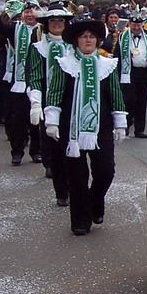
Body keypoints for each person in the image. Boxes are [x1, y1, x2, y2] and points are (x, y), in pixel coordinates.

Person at [43, 16, 127, 236]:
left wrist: (120, 122)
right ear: (76, 41)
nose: (88, 40)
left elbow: (115, 94)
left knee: (106, 171)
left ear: (97, 40)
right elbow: (55, 92)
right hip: (71, 128)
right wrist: (51, 120)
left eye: (91, 36)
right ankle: (80, 220)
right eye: (83, 36)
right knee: (76, 176)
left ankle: (94, 202)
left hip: (101, 127)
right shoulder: (64, 64)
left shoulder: (107, 65)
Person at [27, 1, 75, 205]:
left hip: (72, 102)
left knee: (72, 147)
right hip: (49, 102)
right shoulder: (38, 48)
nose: (57, 24)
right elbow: (35, 76)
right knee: (54, 147)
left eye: (60, 20)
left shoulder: (73, 47)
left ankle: (74, 187)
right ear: (47, 24)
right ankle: (61, 191)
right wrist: (36, 103)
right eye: (53, 21)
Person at [3, 0, 43, 165]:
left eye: (32, 11)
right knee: (18, 119)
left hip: (38, 80)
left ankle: (36, 151)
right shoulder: (15, 28)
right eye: (26, 12)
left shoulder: (44, 29)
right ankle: (17, 151)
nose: (29, 15)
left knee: (37, 120)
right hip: (19, 81)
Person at [111, 12, 147, 137]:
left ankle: (139, 129)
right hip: (129, 73)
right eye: (134, 25)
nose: (136, 27)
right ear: (129, 24)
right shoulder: (123, 37)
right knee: (129, 100)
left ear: (142, 25)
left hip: (144, 73)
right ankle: (126, 125)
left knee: (142, 101)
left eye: (138, 25)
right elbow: (117, 54)